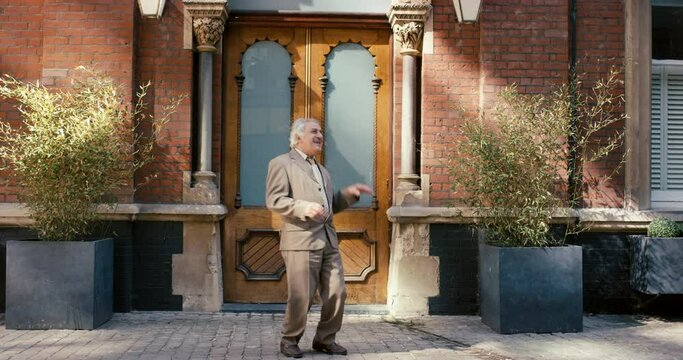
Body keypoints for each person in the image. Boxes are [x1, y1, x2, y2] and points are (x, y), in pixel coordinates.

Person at [266, 118, 373, 358]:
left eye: (321, 132)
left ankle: (325, 339)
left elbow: (329, 205)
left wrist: (349, 194)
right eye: (314, 131)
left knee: (337, 292)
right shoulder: (281, 163)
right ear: (297, 138)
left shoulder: (321, 169)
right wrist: (303, 206)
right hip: (300, 240)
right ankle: (289, 340)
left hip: (328, 240)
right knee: (301, 295)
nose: (320, 135)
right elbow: (275, 199)